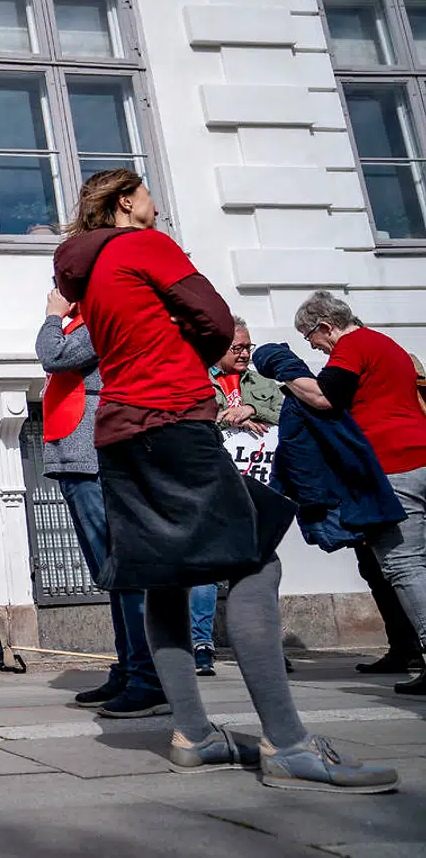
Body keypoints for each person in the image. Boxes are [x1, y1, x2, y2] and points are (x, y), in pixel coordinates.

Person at [53, 169, 396, 792]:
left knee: (166, 577)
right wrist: (199, 349)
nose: (158, 202)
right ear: (127, 201)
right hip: (174, 418)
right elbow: (215, 318)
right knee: (256, 561)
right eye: (149, 192)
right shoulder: (146, 245)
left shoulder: (87, 271)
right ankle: (289, 746)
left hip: (119, 430)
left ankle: (195, 734)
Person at [283, 291, 426, 695]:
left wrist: (286, 372)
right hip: (421, 452)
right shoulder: (387, 344)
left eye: (311, 337)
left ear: (327, 326)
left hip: (394, 465)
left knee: (405, 565)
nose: (313, 345)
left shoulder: (353, 346)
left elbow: (324, 398)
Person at [37, 288, 166, 716]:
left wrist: (52, 316)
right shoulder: (83, 325)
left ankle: (147, 678)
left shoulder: (97, 322)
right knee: (111, 574)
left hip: (92, 458)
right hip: (76, 459)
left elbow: (51, 355)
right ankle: (130, 669)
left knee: (122, 571)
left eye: (62, 286)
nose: (55, 293)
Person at [192, 317, 287, 677]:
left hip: (258, 484)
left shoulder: (261, 382)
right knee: (208, 566)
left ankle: (265, 646)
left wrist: (253, 409)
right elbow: (191, 416)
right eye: (238, 348)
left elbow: (284, 410)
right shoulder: (199, 378)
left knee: (259, 566)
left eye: (248, 346)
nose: (246, 353)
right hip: (214, 485)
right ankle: (202, 644)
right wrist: (225, 418)